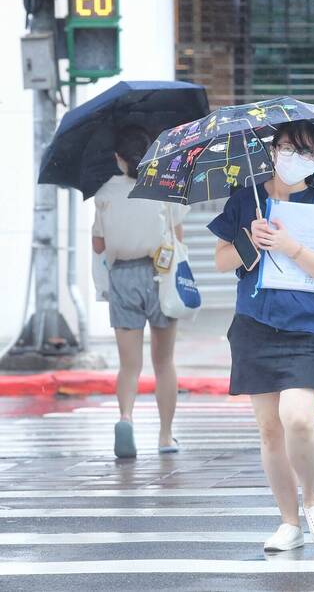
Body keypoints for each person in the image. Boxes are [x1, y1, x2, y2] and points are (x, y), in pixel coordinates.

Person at [208, 120, 314, 552]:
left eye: (306, 151)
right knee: (270, 430)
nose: (296, 156)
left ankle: (312, 499)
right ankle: (289, 523)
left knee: (297, 416)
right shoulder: (247, 199)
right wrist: (247, 241)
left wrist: (292, 248)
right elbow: (221, 261)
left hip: (309, 325)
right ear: (272, 151)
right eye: (289, 147)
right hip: (255, 324)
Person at [91, 125, 188, 459]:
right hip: (159, 274)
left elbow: (98, 244)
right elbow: (179, 235)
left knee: (129, 364)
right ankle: (165, 435)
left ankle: (126, 418)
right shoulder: (164, 186)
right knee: (164, 362)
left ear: (118, 158)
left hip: (123, 277)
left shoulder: (104, 192)